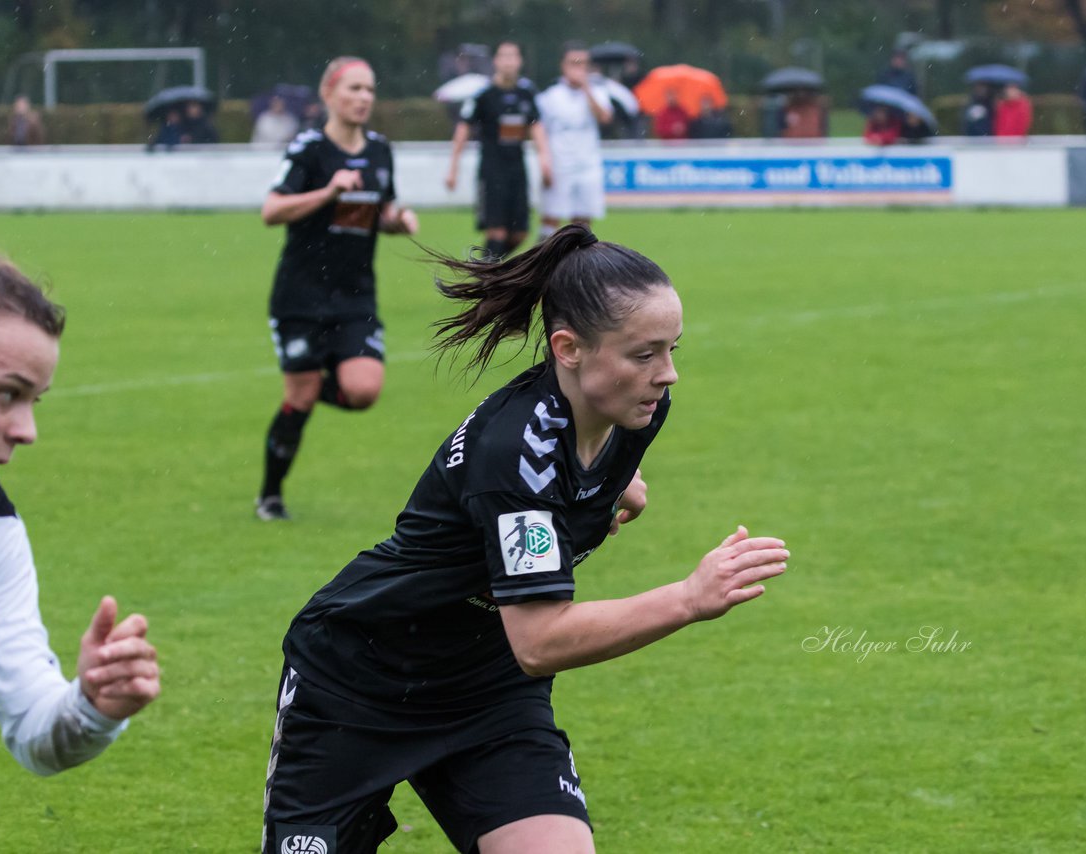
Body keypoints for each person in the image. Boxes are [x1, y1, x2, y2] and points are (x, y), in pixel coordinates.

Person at [260, 223, 790, 854]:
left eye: (673, 349)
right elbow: (540, 640)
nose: (668, 375)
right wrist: (688, 598)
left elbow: (587, 479)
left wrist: (615, 489)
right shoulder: (514, 457)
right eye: (644, 355)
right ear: (567, 348)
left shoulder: (634, 409)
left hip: (488, 692)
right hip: (358, 681)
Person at [0, 217, 160, 776]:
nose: (27, 430)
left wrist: (93, 705)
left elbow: (36, 726)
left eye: (35, 401)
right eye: (7, 393)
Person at [256, 56, 418, 522]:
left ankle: (309, 380)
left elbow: (377, 213)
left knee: (364, 390)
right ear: (329, 94)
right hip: (300, 295)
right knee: (301, 398)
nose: (364, 97)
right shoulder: (308, 150)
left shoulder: (381, 152)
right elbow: (271, 211)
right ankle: (270, 494)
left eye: (369, 89)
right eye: (353, 89)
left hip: (355, 296)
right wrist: (327, 192)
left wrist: (396, 221)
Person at [445, 41, 552, 261]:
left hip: (517, 170)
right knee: (497, 231)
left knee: (520, 234)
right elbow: (463, 128)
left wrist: (544, 159)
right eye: (504, 56)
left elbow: (537, 127)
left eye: (513, 56)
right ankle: (489, 278)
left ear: (520, 61)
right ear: (496, 61)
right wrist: (453, 167)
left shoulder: (526, 92)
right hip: (492, 170)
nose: (508, 62)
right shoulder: (484, 95)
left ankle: (485, 270)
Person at [535, 42, 613, 239]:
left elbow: (605, 118)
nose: (579, 68)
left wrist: (586, 88)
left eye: (583, 63)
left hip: (588, 165)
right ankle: (543, 262)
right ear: (563, 65)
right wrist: (544, 160)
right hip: (559, 164)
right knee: (552, 217)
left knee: (583, 221)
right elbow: (538, 129)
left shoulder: (597, 92)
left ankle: (578, 264)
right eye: (574, 63)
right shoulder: (550, 96)